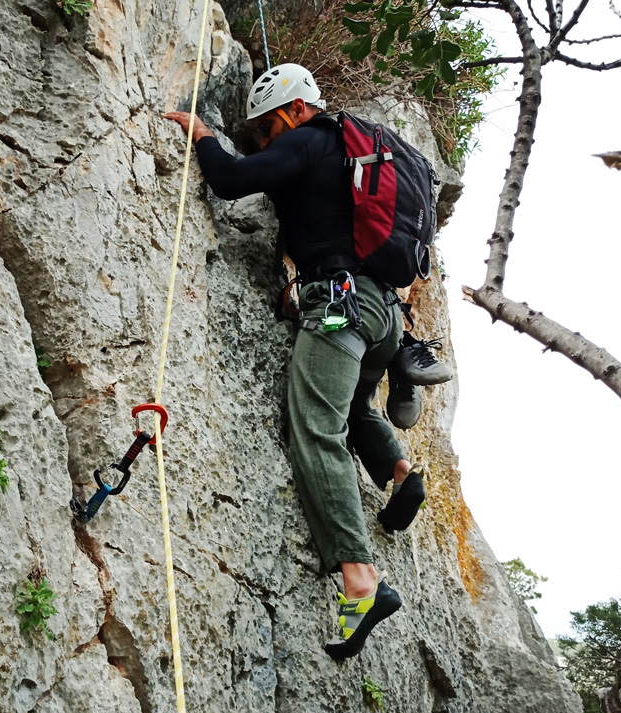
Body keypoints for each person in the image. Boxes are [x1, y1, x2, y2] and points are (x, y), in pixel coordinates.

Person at [165, 64, 435, 660]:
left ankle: (360, 583)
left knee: (316, 425)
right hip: (384, 316)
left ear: (287, 111)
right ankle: (399, 474)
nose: (266, 142)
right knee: (355, 402)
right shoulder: (351, 148)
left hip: (341, 309)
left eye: (265, 129)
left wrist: (203, 134)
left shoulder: (306, 140)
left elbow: (232, 180)